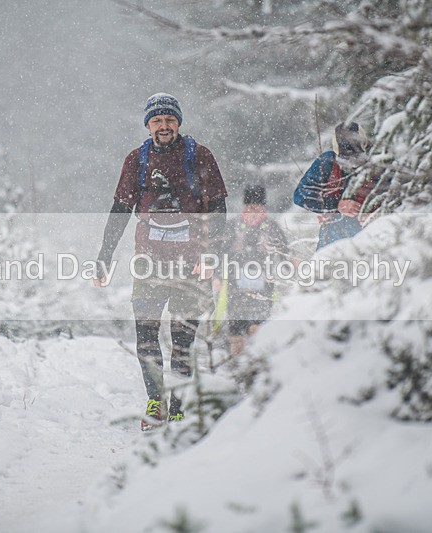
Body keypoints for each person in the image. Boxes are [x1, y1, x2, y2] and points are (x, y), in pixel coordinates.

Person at [94, 93, 227, 431]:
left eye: (169, 120)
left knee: (182, 339)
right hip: (149, 262)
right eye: (157, 121)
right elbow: (120, 210)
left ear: (178, 123)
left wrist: (212, 254)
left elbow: (219, 209)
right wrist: (105, 256)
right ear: (148, 126)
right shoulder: (136, 160)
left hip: (191, 263)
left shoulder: (200, 156)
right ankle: (156, 401)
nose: (164, 126)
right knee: (147, 336)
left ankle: (178, 407)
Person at [214, 183, 288, 357]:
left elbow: (285, 254)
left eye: (258, 209)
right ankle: (235, 363)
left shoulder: (272, 227)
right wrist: (217, 276)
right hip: (235, 286)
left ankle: (258, 362)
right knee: (235, 330)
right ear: (244, 208)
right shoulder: (233, 226)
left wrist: (290, 267)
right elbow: (220, 253)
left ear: (264, 209)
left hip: (263, 287)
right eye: (250, 208)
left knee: (258, 328)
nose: (253, 213)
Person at [293, 122, 376, 250]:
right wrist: (335, 205)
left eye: (357, 157)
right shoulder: (327, 162)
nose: (352, 164)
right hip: (333, 237)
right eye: (346, 159)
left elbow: (396, 197)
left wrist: (375, 213)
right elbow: (300, 195)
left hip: (370, 236)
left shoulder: (378, 163)